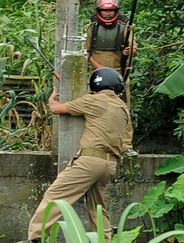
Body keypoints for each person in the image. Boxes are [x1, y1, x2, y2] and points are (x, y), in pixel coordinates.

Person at [26, 67, 131, 243]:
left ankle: (36, 238)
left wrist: (53, 97)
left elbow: (56, 108)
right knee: (98, 207)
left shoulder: (93, 101)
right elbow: (90, 102)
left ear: (95, 85)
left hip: (89, 161)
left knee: (55, 196)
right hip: (109, 164)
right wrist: (65, 79)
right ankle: (105, 240)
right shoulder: (122, 107)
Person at [85, 0, 137, 156]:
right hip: (97, 73)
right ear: (99, 11)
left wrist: (130, 51)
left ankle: (126, 145)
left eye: (111, 11)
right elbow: (87, 53)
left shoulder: (126, 27)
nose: (108, 14)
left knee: (123, 109)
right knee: (94, 108)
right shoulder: (91, 28)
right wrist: (99, 68)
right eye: (104, 11)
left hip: (119, 74)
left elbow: (134, 48)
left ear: (116, 12)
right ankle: (96, 144)